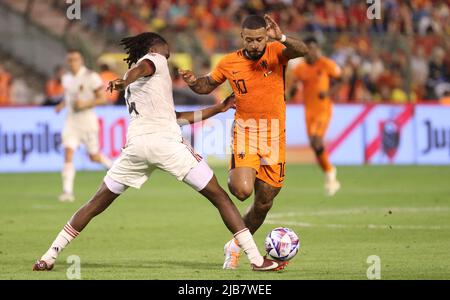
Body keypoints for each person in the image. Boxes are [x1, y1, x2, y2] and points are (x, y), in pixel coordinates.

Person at [33, 32, 286, 272]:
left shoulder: (140, 88)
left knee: (94, 204)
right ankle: (255, 259)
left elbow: (177, 117)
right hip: (166, 144)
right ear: (154, 47)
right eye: (166, 50)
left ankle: (49, 255)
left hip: (136, 148)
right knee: (219, 197)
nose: (168, 54)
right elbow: (142, 68)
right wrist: (125, 79)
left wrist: (218, 108)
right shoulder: (153, 60)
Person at [178, 15, 308, 269]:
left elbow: (303, 50)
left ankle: (234, 246)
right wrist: (194, 83)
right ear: (242, 37)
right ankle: (241, 172)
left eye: (260, 39)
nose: (255, 44)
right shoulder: (230, 62)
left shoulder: (276, 51)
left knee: (264, 202)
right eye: (250, 39)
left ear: (266, 36)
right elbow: (207, 85)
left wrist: (280, 37)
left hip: (274, 135)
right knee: (241, 191)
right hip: (246, 131)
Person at [55, 49, 113, 202]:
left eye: (75, 59)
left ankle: (112, 167)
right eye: (70, 60)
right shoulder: (66, 78)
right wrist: (61, 105)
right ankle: (67, 192)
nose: (72, 62)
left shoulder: (91, 77)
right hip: (71, 121)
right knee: (68, 153)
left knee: (94, 156)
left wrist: (85, 104)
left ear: (81, 61)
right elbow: (69, 96)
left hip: (87, 122)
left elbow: (102, 99)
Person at [292, 37, 342, 196]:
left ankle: (330, 172)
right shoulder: (300, 69)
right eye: (306, 49)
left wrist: (329, 93)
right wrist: (290, 92)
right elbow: (294, 87)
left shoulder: (326, 64)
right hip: (309, 111)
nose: (309, 52)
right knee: (314, 145)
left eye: (312, 48)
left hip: (323, 110)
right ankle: (329, 171)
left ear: (317, 49)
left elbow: (342, 79)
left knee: (317, 140)